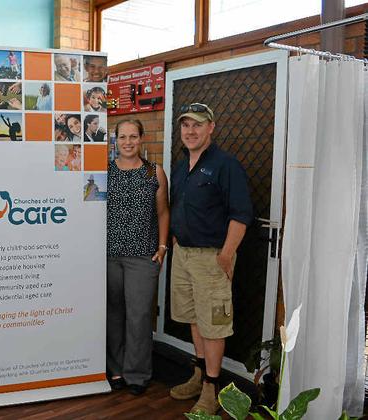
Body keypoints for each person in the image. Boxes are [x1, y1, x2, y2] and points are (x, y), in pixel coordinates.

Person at [168, 103, 253, 415]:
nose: (190, 131)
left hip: (211, 258)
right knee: (194, 318)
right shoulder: (181, 167)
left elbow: (241, 215)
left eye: (197, 125)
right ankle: (199, 373)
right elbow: (179, 206)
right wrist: (177, 239)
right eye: (186, 125)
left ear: (211, 128)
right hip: (184, 257)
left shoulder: (225, 165)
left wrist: (226, 254)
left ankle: (211, 389)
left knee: (214, 325)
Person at [106, 119, 169, 396]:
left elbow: (163, 212)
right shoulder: (103, 172)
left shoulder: (154, 173)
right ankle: (115, 368)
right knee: (113, 314)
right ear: (115, 140)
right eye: (123, 137)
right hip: (108, 256)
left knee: (140, 316)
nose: (128, 142)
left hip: (143, 256)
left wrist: (163, 246)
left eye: (133, 136)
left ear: (141, 139)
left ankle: (137, 374)